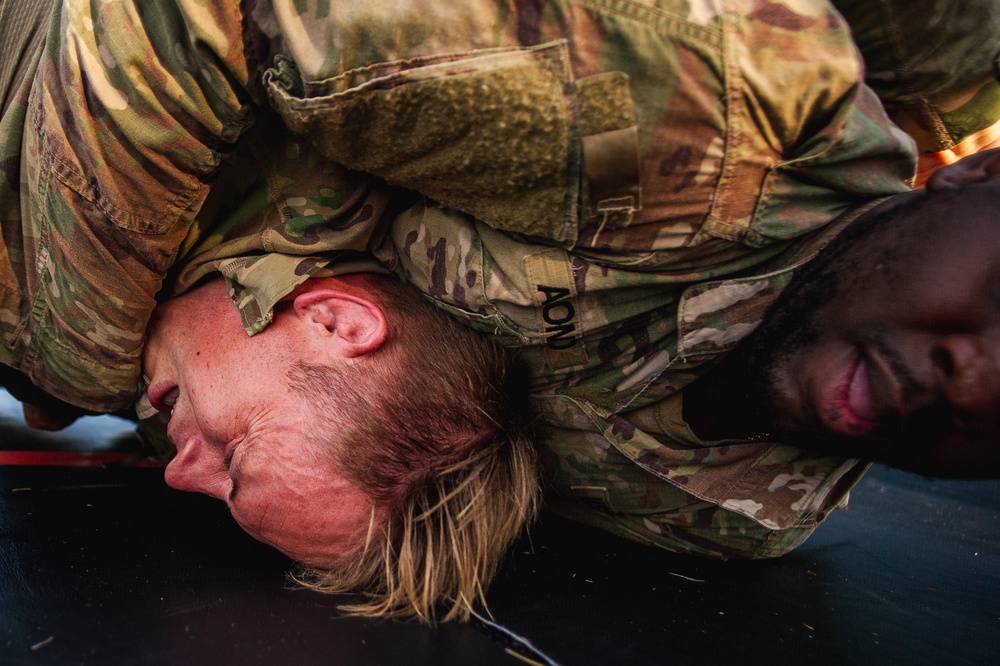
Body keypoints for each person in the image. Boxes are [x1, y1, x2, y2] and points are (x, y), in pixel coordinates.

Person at [1, 0, 998, 621]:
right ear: (979, 179)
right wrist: (76, 354)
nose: (982, 379)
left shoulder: (727, 517)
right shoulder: (706, 117)